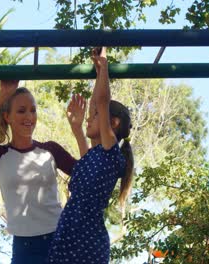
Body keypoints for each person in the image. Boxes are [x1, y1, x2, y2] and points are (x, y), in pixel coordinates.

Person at [0, 80, 84, 264]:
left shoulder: (50, 150)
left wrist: (77, 130)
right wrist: (3, 95)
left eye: (33, 110)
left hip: (60, 240)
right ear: (7, 117)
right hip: (24, 248)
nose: (29, 116)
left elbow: (87, 173)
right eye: (21, 111)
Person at [48, 47, 134, 264]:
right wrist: (76, 128)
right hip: (69, 234)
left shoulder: (111, 152)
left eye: (93, 117)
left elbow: (101, 102)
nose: (89, 118)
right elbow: (97, 107)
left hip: (87, 240)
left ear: (112, 123)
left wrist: (104, 67)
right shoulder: (94, 157)